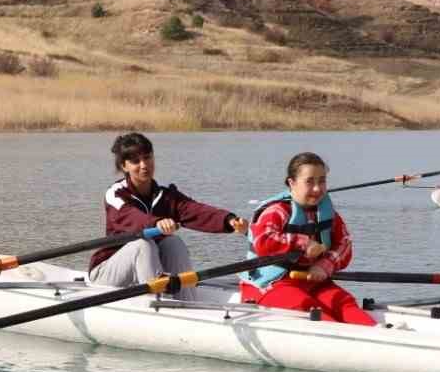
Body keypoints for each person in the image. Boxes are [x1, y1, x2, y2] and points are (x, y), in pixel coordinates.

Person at [88, 132, 247, 300]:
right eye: (136, 161)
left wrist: (228, 220)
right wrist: (157, 223)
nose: (144, 165)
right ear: (123, 166)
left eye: (148, 158)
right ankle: (156, 304)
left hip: (145, 271)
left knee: (174, 243)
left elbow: (195, 210)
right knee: (143, 244)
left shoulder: (165, 196)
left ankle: (187, 302)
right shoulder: (115, 195)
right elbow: (133, 218)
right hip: (107, 274)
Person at [241, 152, 376, 326]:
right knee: (309, 309)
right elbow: (264, 241)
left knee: (344, 302)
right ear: (292, 183)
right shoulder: (276, 211)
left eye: (322, 181)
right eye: (309, 181)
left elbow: (344, 244)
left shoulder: (328, 213)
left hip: (310, 280)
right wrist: (304, 243)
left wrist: (324, 265)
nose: (317, 188)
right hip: (270, 284)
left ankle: (378, 332)